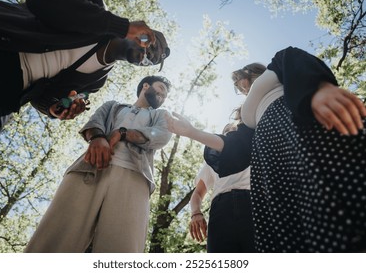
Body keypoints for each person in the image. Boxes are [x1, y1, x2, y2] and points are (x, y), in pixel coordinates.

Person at [204, 46, 366, 252]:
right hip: (268, 157)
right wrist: (190, 131)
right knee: (291, 224)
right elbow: (236, 149)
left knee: (333, 191)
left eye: (238, 82)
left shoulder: (273, 70)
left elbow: (291, 58)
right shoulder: (245, 115)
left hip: (294, 123)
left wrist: (318, 88)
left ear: (248, 74)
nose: (239, 88)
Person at [0, 0, 170, 150]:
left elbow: (43, 99)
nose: (148, 56)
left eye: (151, 61)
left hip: (6, 94)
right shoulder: (94, 6)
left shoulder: (96, 82)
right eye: (151, 46)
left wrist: (55, 108)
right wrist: (122, 26)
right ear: (141, 32)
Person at [25, 75, 172, 253]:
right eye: (161, 89)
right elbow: (94, 123)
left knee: (123, 248)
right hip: (88, 169)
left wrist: (122, 132)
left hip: (135, 176)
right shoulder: (113, 106)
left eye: (165, 95)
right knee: (54, 238)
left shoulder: (161, 115)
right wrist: (97, 137)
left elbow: (161, 135)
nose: (163, 96)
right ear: (145, 86)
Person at [189, 118, 255, 253]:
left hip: (253, 204)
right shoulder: (213, 160)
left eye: (235, 129)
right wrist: (196, 213)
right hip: (222, 209)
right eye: (226, 131)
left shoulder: (254, 149)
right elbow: (197, 193)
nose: (230, 132)